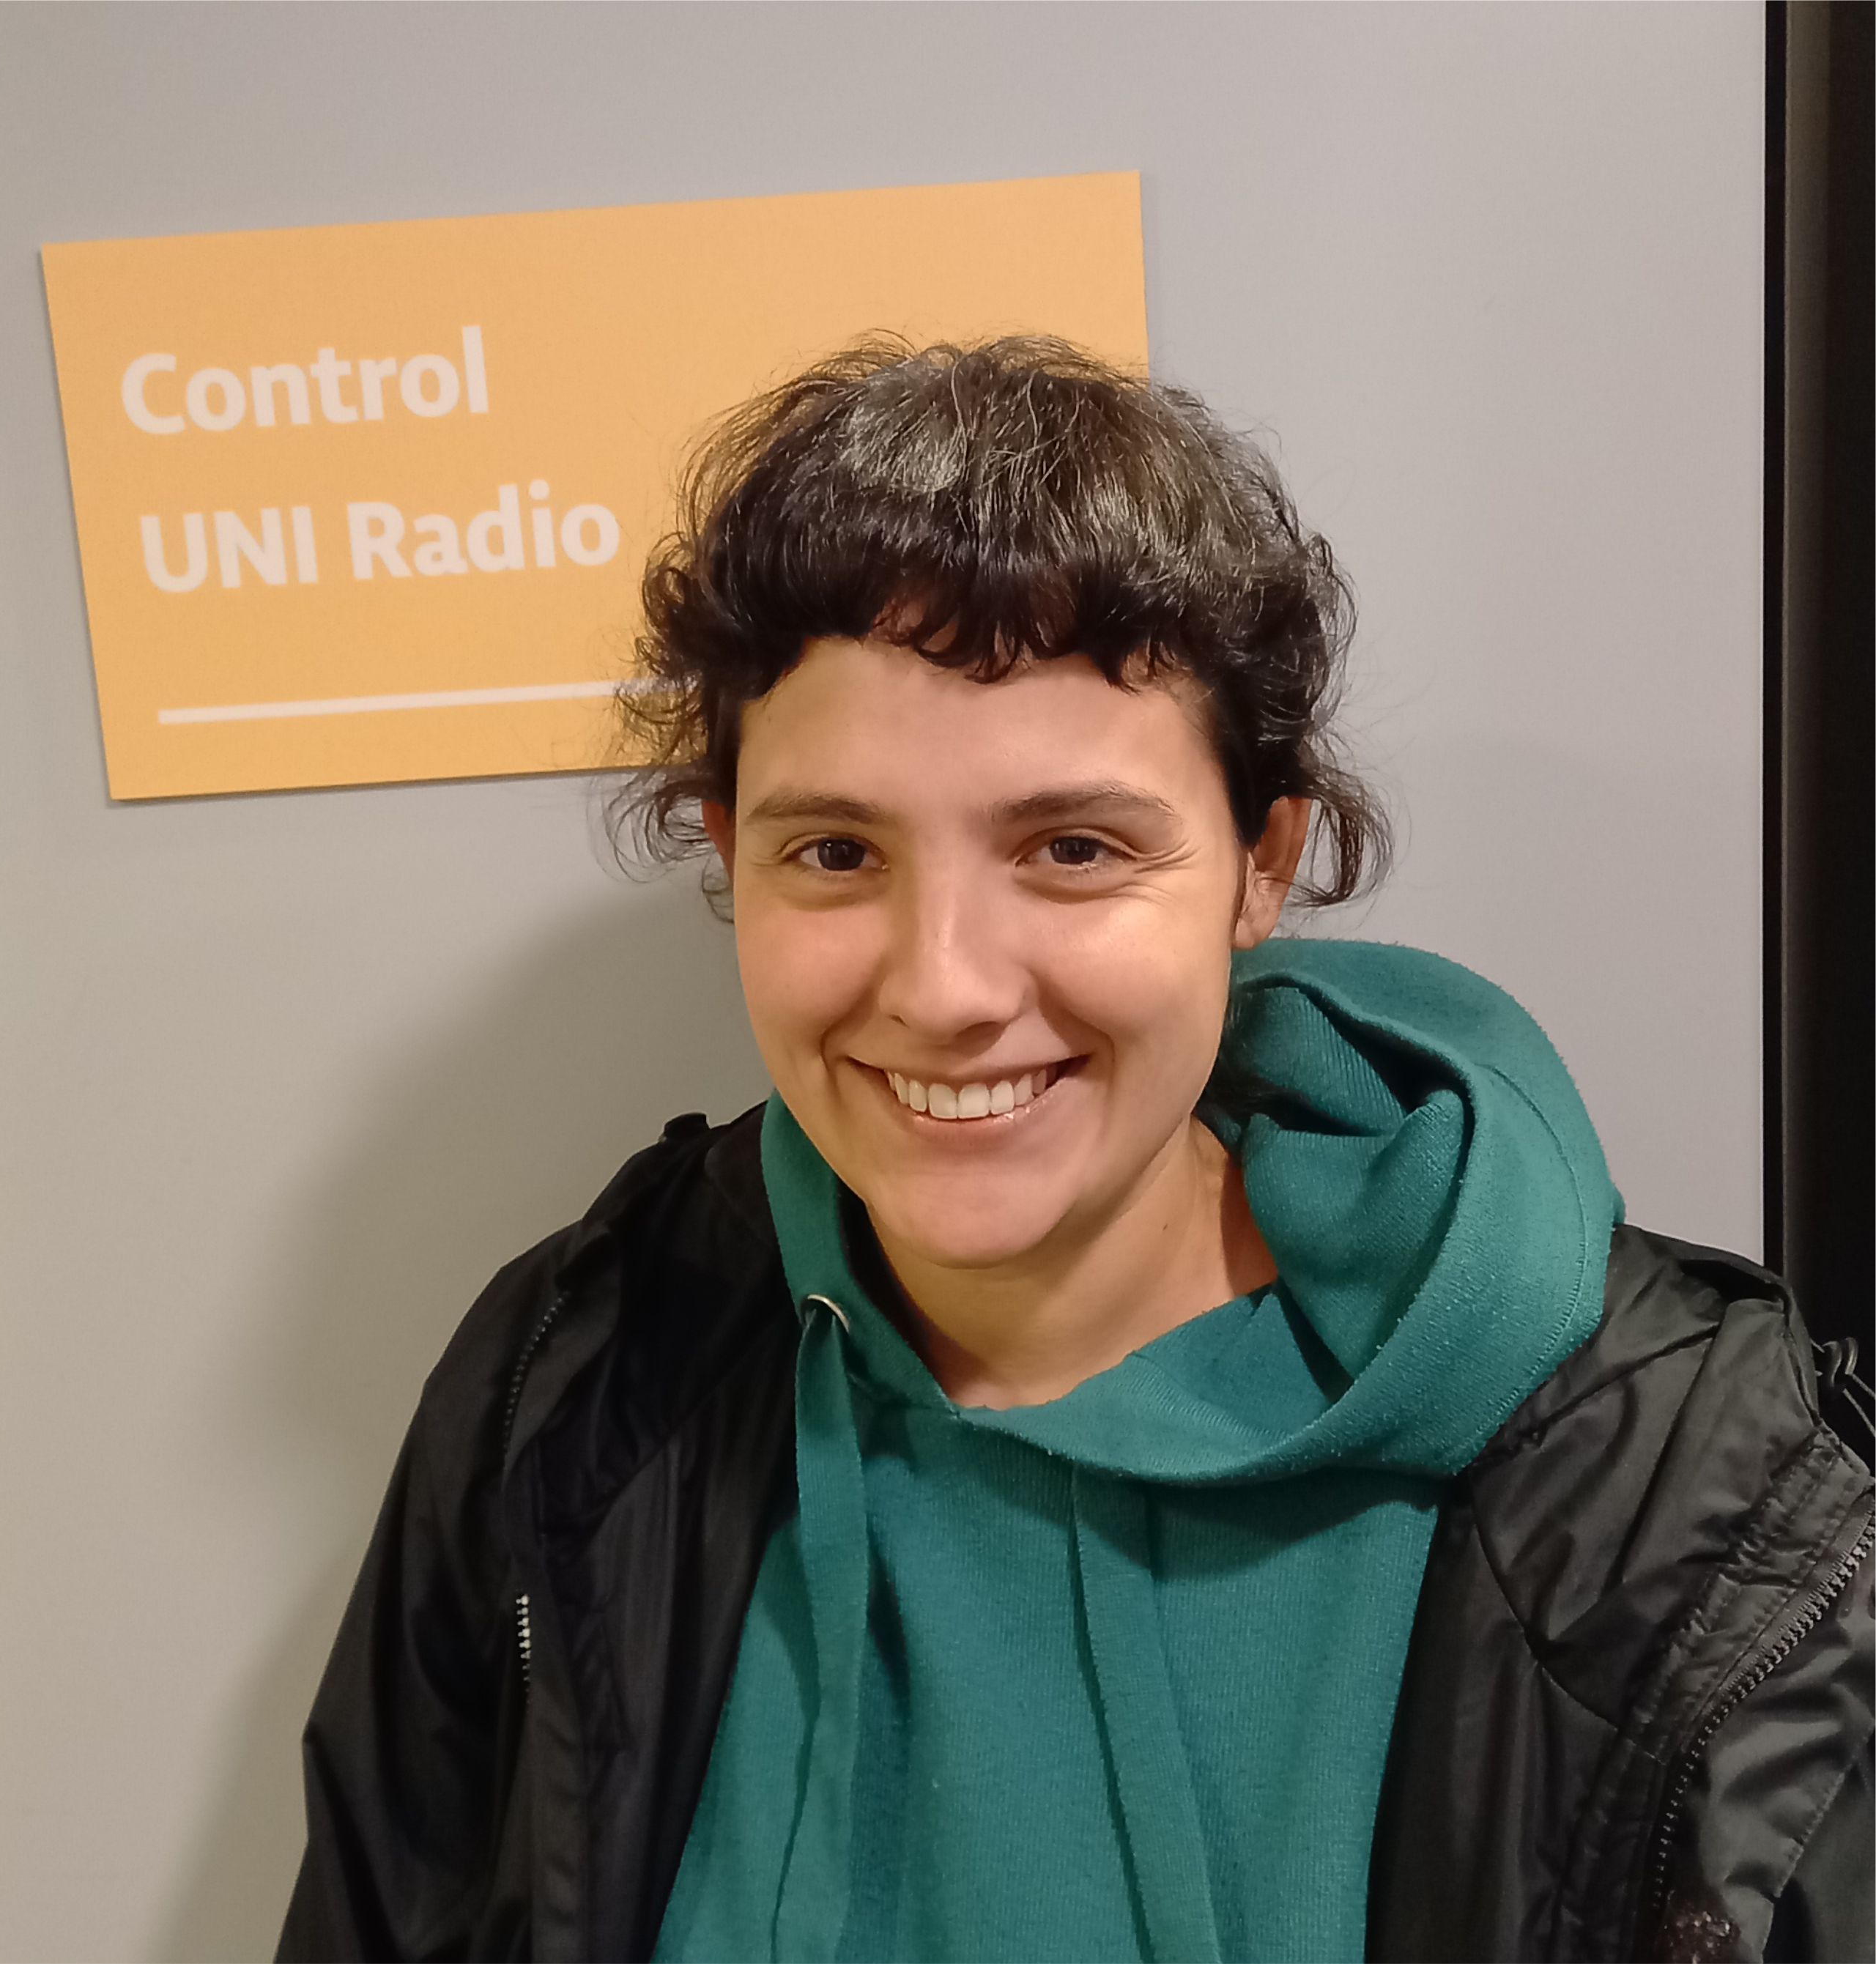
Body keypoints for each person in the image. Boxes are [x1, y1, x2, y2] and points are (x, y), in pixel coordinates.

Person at [276, 338, 1873, 1964]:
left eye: (1073, 847)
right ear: (729, 855)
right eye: (835, 852)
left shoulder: (1694, 1495)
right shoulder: (574, 1386)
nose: (945, 988)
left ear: (1261, 863)